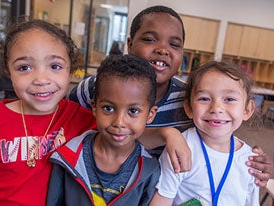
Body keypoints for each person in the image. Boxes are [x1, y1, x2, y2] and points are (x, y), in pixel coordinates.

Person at [68, 5, 273, 186]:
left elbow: (218, 133)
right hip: (90, 182)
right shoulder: (97, 86)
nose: (163, 50)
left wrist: (249, 159)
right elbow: (60, 124)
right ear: (130, 44)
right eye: (149, 39)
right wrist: (165, 133)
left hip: (157, 190)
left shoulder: (187, 99)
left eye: (174, 45)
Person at [0, 19, 97, 205]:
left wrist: (166, 134)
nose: (41, 79)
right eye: (24, 68)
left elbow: (126, 133)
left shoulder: (81, 120)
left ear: (70, 71)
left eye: (55, 66)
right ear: (8, 71)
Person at [47, 54, 160, 205]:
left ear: (150, 114)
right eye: (108, 108)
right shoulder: (67, 157)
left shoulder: (150, 171)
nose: (119, 122)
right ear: (94, 107)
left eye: (133, 111)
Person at [150, 61, 259, 206]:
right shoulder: (181, 147)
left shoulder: (251, 160)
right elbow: (161, 200)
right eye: (204, 99)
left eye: (230, 99)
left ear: (247, 109)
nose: (216, 108)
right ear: (189, 108)